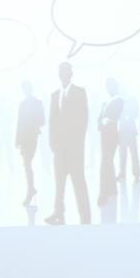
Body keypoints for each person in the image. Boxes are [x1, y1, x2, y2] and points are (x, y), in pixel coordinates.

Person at [45, 61, 91, 225]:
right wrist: (52, 143)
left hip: (74, 148)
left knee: (78, 181)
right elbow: (52, 121)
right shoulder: (54, 95)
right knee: (59, 182)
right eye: (60, 72)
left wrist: (78, 143)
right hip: (59, 148)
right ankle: (58, 212)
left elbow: (84, 119)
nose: (63, 74)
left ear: (71, 74)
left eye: (65, 71)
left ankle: (85, 215)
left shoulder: (79, 92)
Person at [96, 77, 125, 206]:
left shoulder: (119, 100)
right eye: (106, 86)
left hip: (112, 136)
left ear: (115, 86)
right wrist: (102, 121)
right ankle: (112, 189)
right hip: (104, 135)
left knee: (105, 163)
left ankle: (103, 192)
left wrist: (104, 120)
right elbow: (100, 118)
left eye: (109, 86)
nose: (107, 88)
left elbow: (113, 116)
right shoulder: (106, 101)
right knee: (108, 162)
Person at [15, 80, 44, 206]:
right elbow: (19, 122)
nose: (24, 91)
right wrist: (17, 140)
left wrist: (32, 122)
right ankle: (31, 188)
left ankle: (31, 189)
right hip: (24, 138)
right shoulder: (22, 104)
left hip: (31, 137)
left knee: (27, 163)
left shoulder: (38, 103)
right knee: (27, 163)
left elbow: (42, 121)